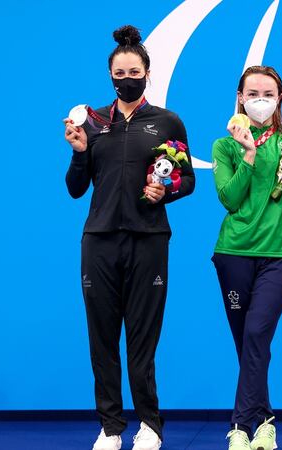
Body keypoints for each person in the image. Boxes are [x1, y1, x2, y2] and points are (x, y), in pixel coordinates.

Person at [63, 25, 195, 450]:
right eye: (118, 73)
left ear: (147, 72)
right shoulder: (93, 122)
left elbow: (187, 179)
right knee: (102, 337)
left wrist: (166, 189)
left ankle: (150, 426)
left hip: (149, 239)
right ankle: (110, 427)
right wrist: (80, 152)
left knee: (142, 338)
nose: (125, 78)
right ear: (110, 76)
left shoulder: (167, 121)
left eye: (133, 71)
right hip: (98, 241)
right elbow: (75, 188)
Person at [211, 65, 282, 450]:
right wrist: (249, 154)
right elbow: (229, 198)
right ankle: (266, 421)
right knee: (248, 344)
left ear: (279, 98)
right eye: (252, 94)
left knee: (257, 334)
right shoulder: (224, 146)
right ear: (240, 98)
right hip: (233, 252)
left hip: (279, 252)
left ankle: (239, 425)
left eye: (267, 94)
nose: (260, 100)